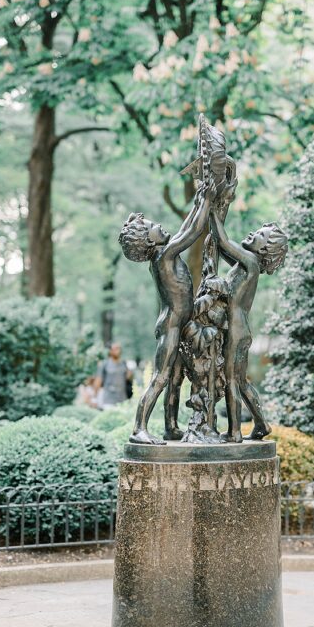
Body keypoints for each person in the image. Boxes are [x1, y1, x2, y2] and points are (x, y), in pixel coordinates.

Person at [119, 116, 226, 445]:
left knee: (177, 377)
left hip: (179, 323)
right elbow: (192, 232)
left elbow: (184, 229)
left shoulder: (163, 251)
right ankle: (140, 427)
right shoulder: (163, 256)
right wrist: (206, 200)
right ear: (148, 242)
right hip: (172, 326)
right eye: (153, 227)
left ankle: (170, 426)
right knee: (163, 376)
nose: (160, 227)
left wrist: (200, 196)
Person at [210, 208, 288, 442]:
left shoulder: (251, 262)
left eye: (259, 235)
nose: (253, 233)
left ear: (263, 249)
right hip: (239, 329)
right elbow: (222, 247)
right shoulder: (245, 264)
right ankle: (262, 424)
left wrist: (211, 209)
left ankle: (234, 432)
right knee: (240, 381)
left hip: (235, 329)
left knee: (231, 379)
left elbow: (223, 241)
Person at [94, 343, 134, 409]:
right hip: (109, 400)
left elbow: (128, 379)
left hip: (122, 400)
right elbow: (98, 380)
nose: (118, 351)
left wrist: (130, 375)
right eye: (115, 349)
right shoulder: (105, 364)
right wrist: (95, 398)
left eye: (119, 348)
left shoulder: (124, 364)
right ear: (110, 351)